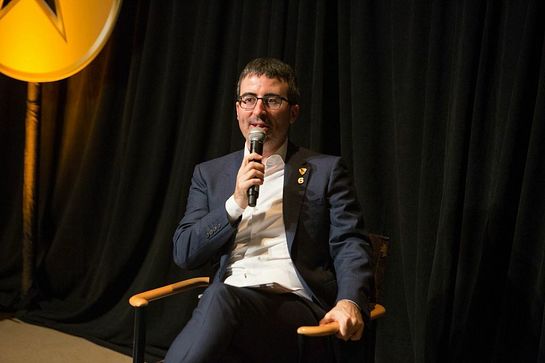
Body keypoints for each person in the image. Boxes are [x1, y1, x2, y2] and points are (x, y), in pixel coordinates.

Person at [165, 58, 373, 363]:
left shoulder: (325, 171)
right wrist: (234, 202)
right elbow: (184, 252)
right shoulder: (209, 174)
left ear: (294, 112)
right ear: (237, 109)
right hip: (225, 308)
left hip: (293, 309)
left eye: (272, 100)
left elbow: (351, 243)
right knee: (219, 305)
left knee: (220, 299)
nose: (258, 111)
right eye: (249, 99)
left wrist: (349, 302)